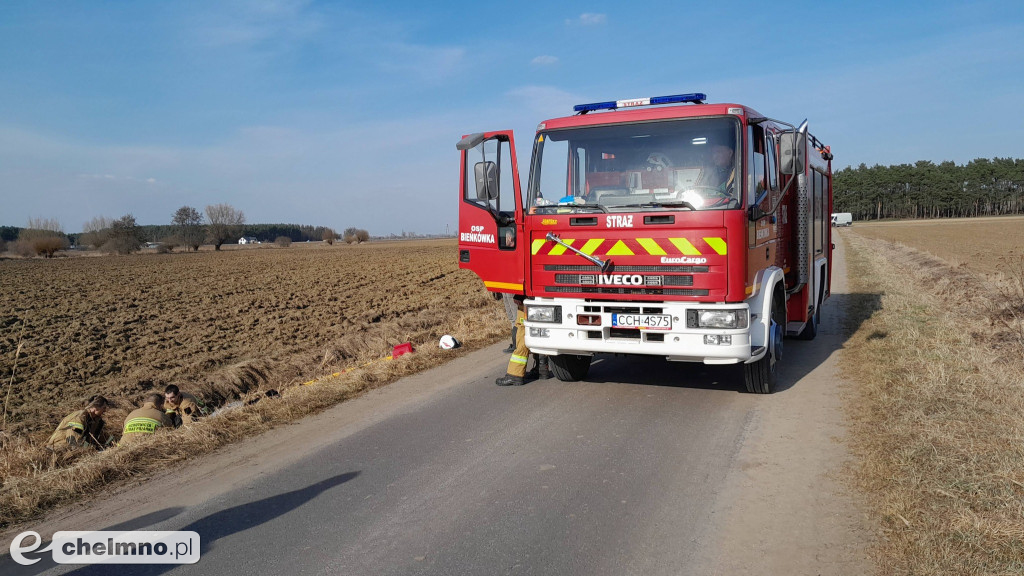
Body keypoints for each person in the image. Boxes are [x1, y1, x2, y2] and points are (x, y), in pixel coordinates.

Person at [46, 395, 114, 450]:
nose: (105, 411)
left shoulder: (95, 420)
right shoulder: (79, 417)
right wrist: (90, 451)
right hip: (58, 447)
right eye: (104, 408)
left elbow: (95, 438)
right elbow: (73, 441)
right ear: (95, 407)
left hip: (72, 448)